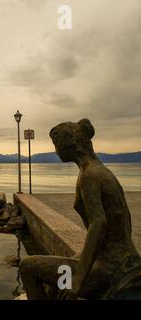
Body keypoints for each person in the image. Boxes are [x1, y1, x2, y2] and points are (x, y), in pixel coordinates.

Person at [20, 118, 140, 300]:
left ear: (69, 144)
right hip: (126, 260)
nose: (55, 150)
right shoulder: (101, 171)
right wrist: (78, 261)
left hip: (111, 269)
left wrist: (77, 280)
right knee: (64, 268)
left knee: (27, 266)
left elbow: (98, 224)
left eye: (56, 143)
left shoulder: (89, 176)